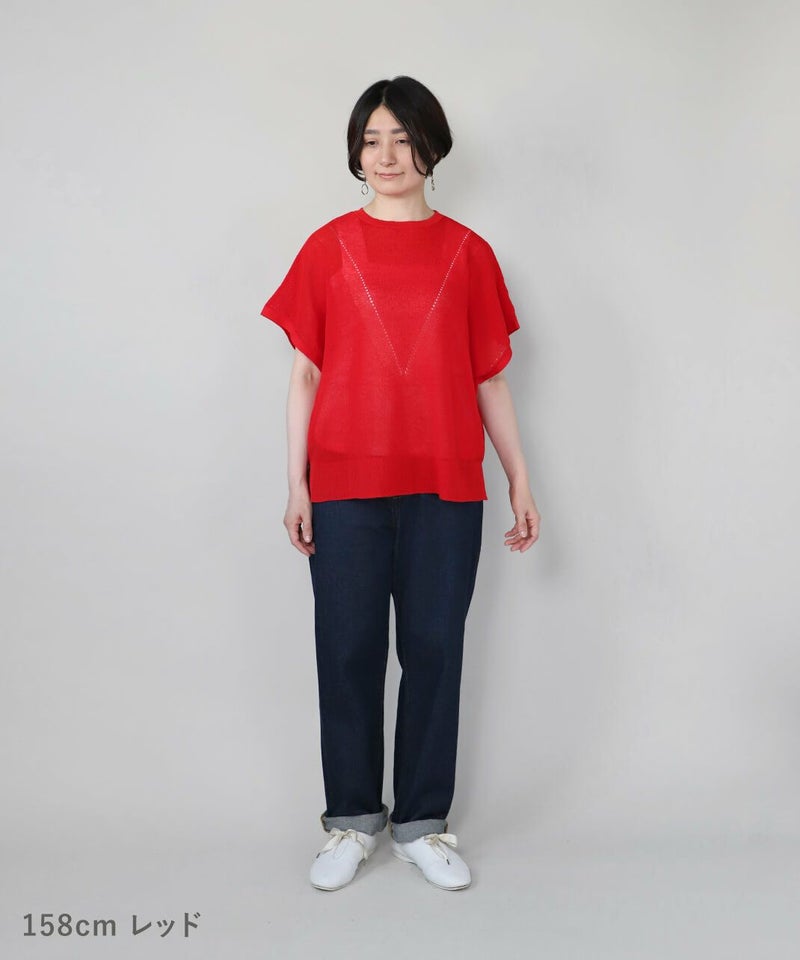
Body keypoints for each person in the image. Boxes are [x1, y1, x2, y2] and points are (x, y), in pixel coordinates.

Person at [260, 76, 540, 892]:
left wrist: (520, 478)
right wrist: (296, 483)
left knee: (434, 651)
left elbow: (489, 378)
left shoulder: (469, 253)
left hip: (446, 489)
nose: (386, 155)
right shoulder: (327, 247)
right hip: (344, 487)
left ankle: (422, 823)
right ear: (357, 152)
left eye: (402, 138)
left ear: (431, 148)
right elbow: (305, 374)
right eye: (371, 139)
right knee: (346, 650)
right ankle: (351, 822)